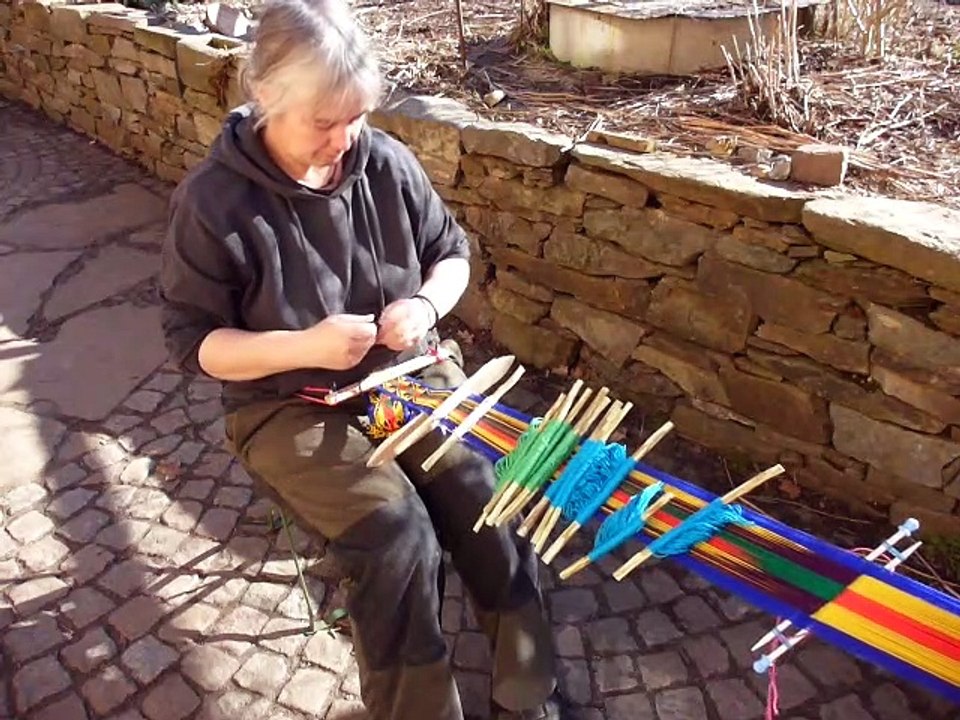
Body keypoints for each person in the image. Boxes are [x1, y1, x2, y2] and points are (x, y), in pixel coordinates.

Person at [158, 0, 564, 717]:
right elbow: (196, 345)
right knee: (394, 533)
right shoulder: (213, 203)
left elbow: (452, 255)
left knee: (486, 483)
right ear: (268, 97)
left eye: (356, 116)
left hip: (406, 375)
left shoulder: (382, 160)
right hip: (286, 403)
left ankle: (525, 671)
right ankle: (418, 705)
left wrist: (429, 307)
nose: (345, 138)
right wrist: (304, 347)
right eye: (324, 121)